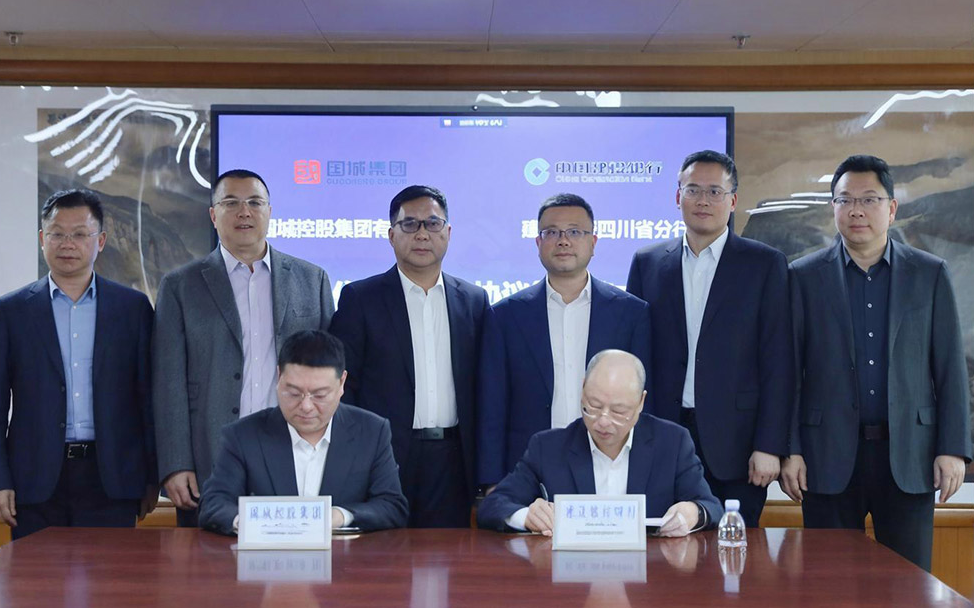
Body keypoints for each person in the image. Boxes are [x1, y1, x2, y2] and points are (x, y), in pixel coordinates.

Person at [782, 155, 971, 571]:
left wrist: (952, 448)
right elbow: (789, 372)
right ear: (833, 207)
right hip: (826, 456)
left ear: (892, 208)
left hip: (909, 455)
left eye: (869, 199)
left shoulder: (929, 274)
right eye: (845, 200)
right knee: (828, 583)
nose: (856, 210)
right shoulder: (803, 276)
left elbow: (949, 369)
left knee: (908, 586)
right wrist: (790, 449)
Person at [153, 169, 335, 526]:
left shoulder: (311, 279)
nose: (244, 212)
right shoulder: (180, 286)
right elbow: (167, 382)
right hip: (211, 455)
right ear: (213, 214)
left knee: (296, 557)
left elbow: (331, 377)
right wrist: (176, 463)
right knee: (207, 557)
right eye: (231, 203)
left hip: (297, 451)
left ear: (270, 211)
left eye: (254, 202)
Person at [626, 150, 793, 527]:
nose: (703, 200)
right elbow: (635, 358)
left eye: (715, 192)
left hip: (738, 446)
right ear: (677, 196)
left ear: (733, 201)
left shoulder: (764, 265)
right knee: (663, 546)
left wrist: (769, 445)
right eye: (693, 190)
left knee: (733, 553)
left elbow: (778, 360)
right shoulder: (647, 263)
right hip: (662, 438)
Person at [0, 189, 158, 539]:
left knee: (111, 574)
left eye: (79, 234)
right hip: (34, 479)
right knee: (35, 576)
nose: (67, 243)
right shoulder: (12, 311)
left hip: (113, 478)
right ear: (42, 239)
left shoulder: (133, 309)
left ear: (100, 241)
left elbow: (148, 398)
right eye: (57, 233)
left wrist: (152, 477)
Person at [329, 185, 492, 527]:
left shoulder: (473, 301)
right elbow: (345, 386)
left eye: (432, 223)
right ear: (391, 235)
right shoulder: (361, 298)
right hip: (383, 456)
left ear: (448, 233)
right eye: (409, 224)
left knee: (447, 554)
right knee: (381, 553)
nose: (421, 234)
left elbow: (486, 386)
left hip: (453, 459)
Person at [478, 193, 651, 486]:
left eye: (574, 232)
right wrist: (493, 481)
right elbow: (492, 405)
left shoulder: (631, 313)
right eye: (552, 232)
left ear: (593, 242)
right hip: (529, 465)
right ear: (538, 243)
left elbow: (644, 400)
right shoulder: (505, 315)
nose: (563, 241)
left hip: (611, 462)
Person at [477, 350, 722, 537]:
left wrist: (693, 513)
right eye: (593, 406)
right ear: (583, 389)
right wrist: (527, 516)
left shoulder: (673, 442)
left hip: (650, 575)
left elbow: (711, 507)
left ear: (640, 402)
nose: (603, 421)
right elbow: (493, 506)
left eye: (618, 411)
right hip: (571, 576)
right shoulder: (548, 447)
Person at [199, 330, 408, 534]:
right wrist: (249, 522)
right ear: (279, 377)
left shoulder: (372, 432)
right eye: (294, 393)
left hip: (343, 556)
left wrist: (340, 516)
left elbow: (392, 505)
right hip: (268, 555)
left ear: (342, 383)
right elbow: (214, 503)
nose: (306, 406)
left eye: (319, 395)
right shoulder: (242, 436)